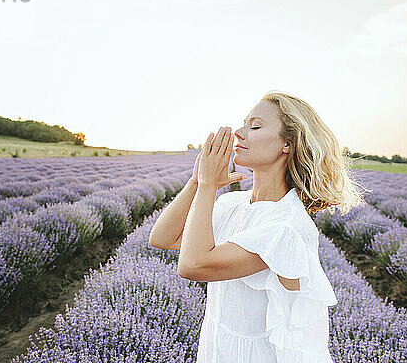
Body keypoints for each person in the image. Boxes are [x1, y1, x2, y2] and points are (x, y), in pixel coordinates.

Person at [148, 90, 366, 362]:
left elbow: (193, 266)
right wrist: (196, 182)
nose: (239, 133)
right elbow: (162, 238)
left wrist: (207, 186)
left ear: (287, 143)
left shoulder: (285, 226)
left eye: (254, 126)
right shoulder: (234, 204)